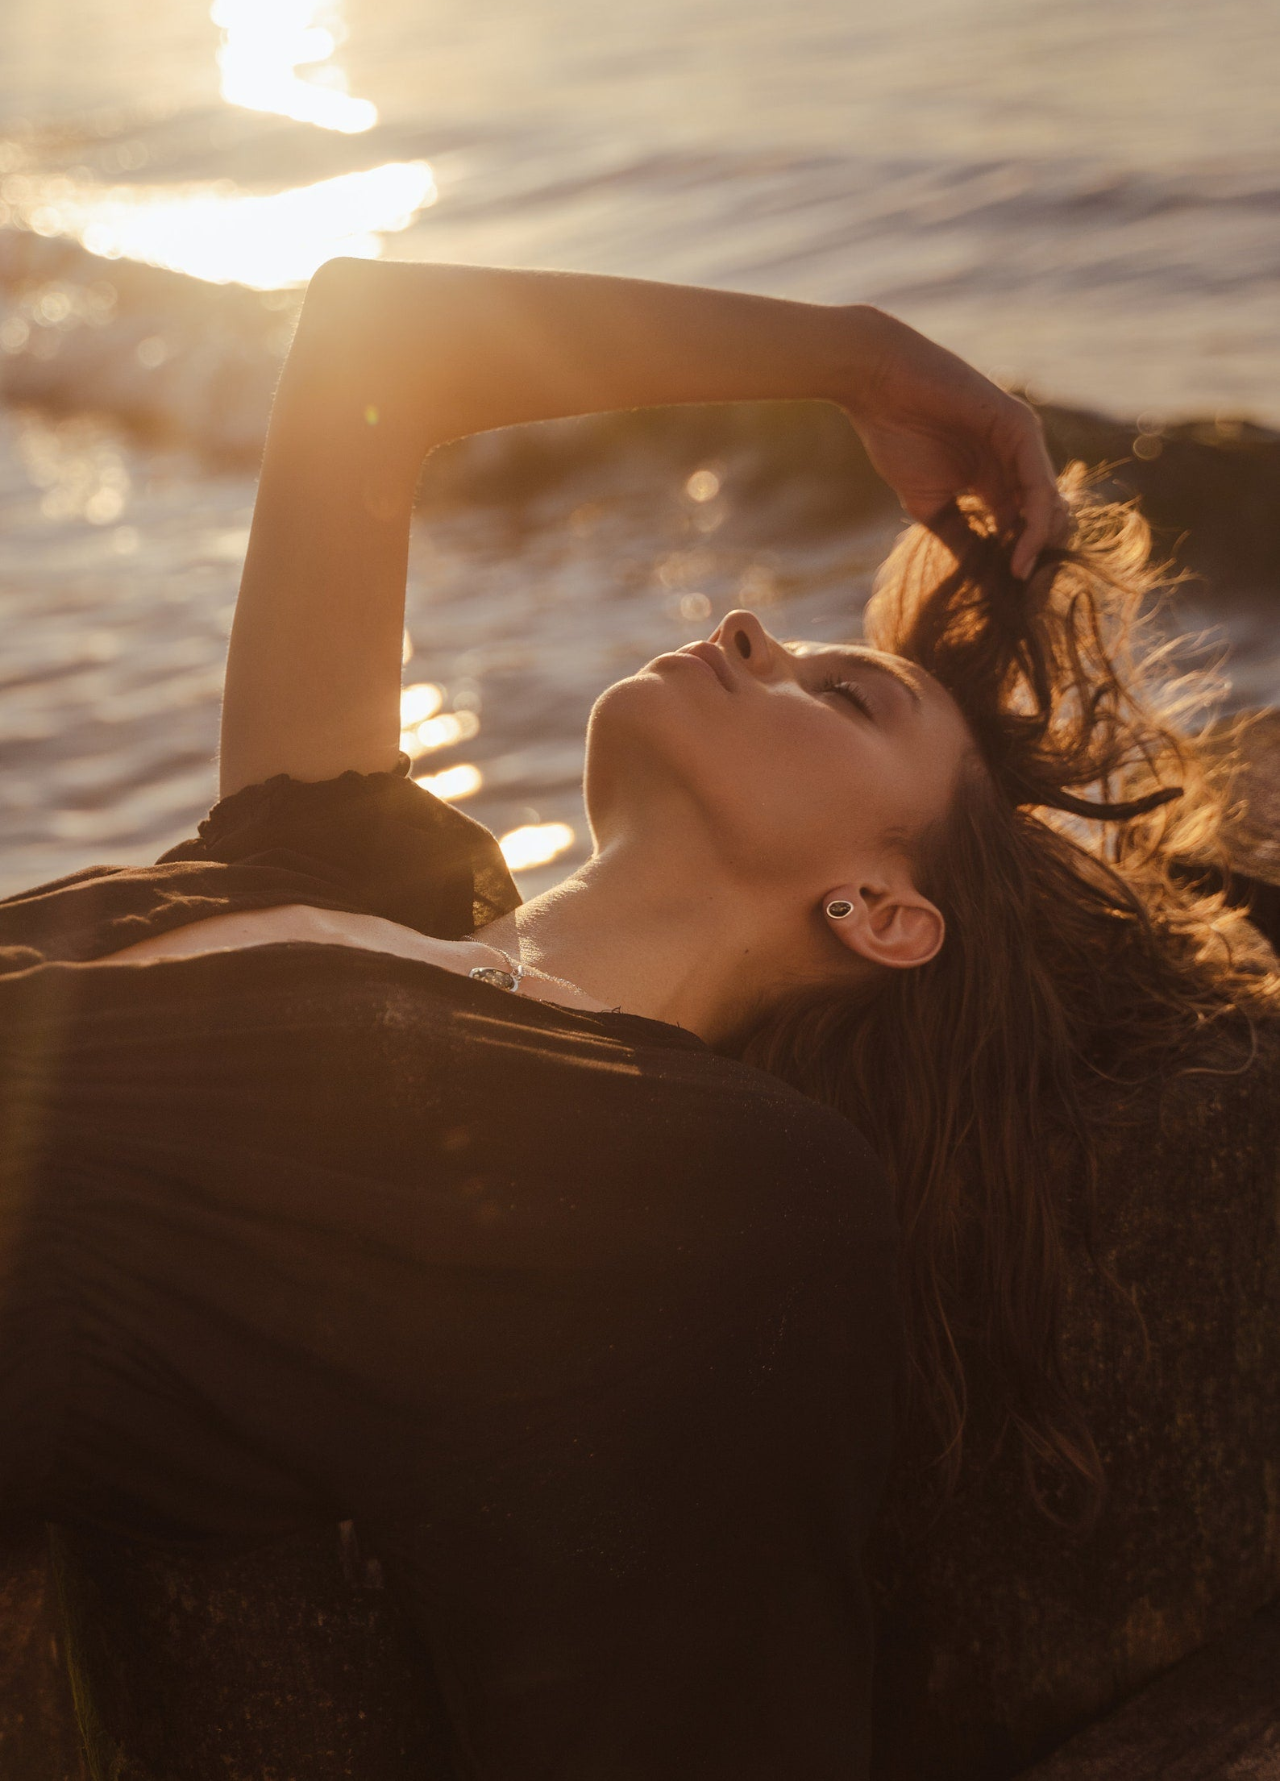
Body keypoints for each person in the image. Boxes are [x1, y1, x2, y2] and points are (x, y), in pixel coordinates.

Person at [0, 262, 1272, 1778]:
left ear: (885, 913)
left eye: (842, 697)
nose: (747, 628)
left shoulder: (717, 1183)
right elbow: (367, 344)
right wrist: (862, 360)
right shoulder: (348, 862)